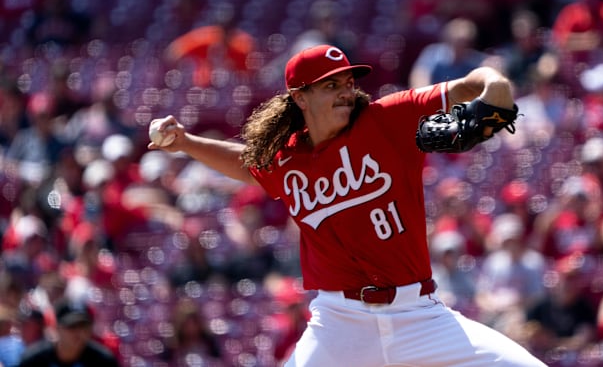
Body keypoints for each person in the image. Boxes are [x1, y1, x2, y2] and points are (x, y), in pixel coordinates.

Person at [148, 44, 546, 366]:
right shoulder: (288, 159)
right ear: (300, 97)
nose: (345, 90)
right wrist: (185, 143)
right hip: (340, 323)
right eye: (329, 84)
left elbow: (469, 85)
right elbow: (249, 166)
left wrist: (494, 82)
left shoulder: (387, 118)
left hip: (419, 315)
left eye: (347, 81)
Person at [18, 298, 119, 367]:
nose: (78, 332)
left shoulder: (102, 361)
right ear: (57, 328)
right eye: (71, 326)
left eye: (83, 326)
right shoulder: (34, 359)